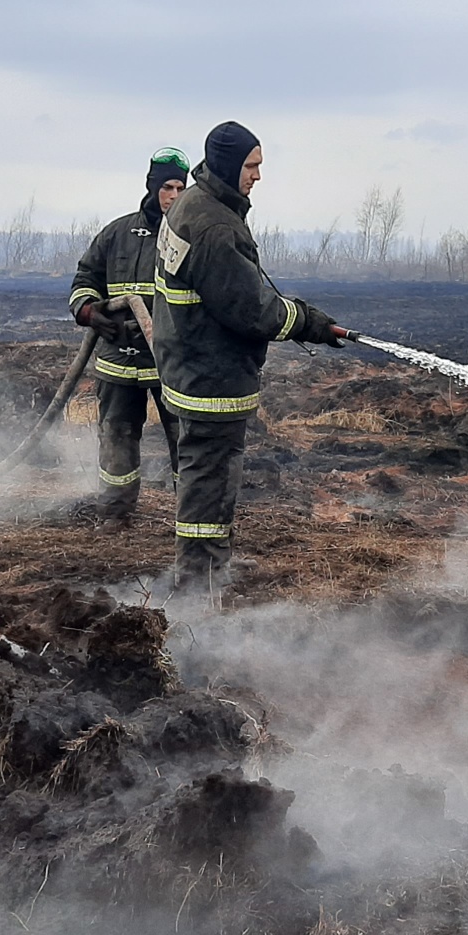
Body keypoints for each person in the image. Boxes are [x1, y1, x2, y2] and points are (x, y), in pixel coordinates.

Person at [152, 121, 344, 590]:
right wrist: (309, 323)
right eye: (252, 166)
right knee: (210, 484)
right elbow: (250, 310)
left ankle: (200, 571)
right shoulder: (216, 226)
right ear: (228, 164)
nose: (258, 176)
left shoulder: (192, 206)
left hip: (187, 365)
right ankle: (201, 585)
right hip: (211, 378)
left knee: (201, 474)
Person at [69, 147, 189, 527]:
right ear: (152, 188)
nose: (173, 195)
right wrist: (89, 311)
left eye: (181, 188)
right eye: (168, 187)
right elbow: (85, 278)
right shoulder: (118, 233)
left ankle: (191, 516)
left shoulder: (191, 236)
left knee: (184, 440)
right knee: (117, 436)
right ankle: (115, 515)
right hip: (118, 360)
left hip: (172, 362)